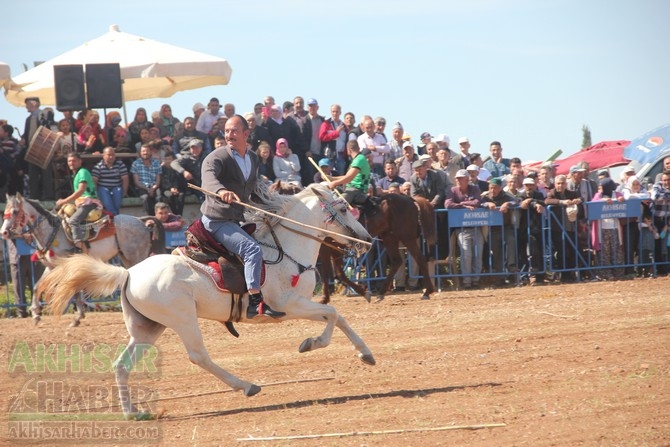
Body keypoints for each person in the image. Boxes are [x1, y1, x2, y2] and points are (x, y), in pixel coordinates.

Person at [200, 114, 285, 319]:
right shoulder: (217, 156)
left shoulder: (253, 158)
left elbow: (254, 187)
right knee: (252, 249)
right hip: (216, 220)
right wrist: (221, 191)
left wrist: (274, 201)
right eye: (227, 131)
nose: (229, 134)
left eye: (234, 131)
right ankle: (255, 303)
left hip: (235, 219)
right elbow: (207, 178)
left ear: (246, 134)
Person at [445, 169, 484, 289]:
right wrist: (464, 205)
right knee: (466, 254)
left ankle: (476, 280)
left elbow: (477, 201)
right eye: (457, 178)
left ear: (467, 179)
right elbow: (447, 204)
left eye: (460, 178)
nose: (457, 180)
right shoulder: (452, 190)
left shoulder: (475, 188)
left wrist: (462, 204)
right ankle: (467, 281)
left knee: (478, 254)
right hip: (461, 229)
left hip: (476, 227)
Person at [55, 153, 102, 252]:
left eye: (74, 161)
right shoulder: (77, 174)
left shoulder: (82, 172)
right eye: (69, 161)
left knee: (73, 220)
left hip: (89, 203)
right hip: (81, 203)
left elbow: (80, 191)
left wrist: (64, 201)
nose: (71, 163)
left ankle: (78, 247)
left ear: (80, 161)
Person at [326, 140, 370, 207]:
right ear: (358, 148)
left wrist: (334, 183)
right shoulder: (357, 159)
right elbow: (347, 176)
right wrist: (331, 178)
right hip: (350, 188)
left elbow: (349, 178)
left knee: (338, 205)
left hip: (357, 190)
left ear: (348, 150)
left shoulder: (359, 159)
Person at [91, 146, 129, 215]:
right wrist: (96, 194)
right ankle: (115, 215)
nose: (111, 157)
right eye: (109, 155)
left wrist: (125, 191)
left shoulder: (120, 164)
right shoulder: (98, 166)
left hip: (116, 187)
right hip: (103, 187)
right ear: (104, 156)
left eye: (113, 155)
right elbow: (94, 181)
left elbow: (125, 178)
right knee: (104, 193)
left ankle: (113, 216)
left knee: (118, 192)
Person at [130, 144, 162, 216]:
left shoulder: (156, 163)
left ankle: (159, 218)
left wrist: (153, 188)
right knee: (145, 198)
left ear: (150, 152)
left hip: (154, 186)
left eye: (147, 151)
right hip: (142, 187)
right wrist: (147, 189)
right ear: (140, 153)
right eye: (143, 151)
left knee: (159, 197)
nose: (145, 153)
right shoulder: (135, 164)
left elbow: (158, 180)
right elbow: (136, 181)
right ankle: (151, 217)